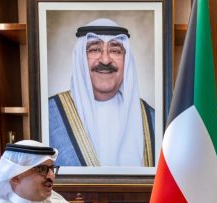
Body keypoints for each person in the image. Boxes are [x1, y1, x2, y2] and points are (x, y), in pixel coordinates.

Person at [48, 18, 155, 167]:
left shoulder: (151, 119)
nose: (105, 60)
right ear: (80, 59)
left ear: (126, 60)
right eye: (94, 49)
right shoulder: (50, 114)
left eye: (115, 51)